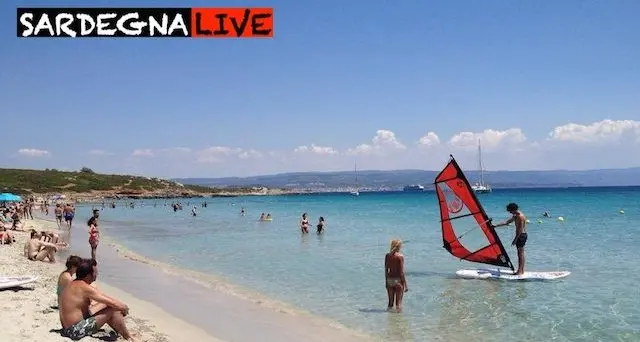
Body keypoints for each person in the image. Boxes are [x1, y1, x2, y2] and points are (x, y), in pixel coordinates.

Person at [59, 259, 134, 341]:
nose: (97, 274)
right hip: (74, 330)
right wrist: (124, 308)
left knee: (106, 305)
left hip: (67, 329)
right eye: (95, 273)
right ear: (88, 275)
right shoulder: (84, 287)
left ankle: (121, 331)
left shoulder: (73, 284)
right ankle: (128, 337)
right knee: (114, 308)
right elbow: (113, 303)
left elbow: (105, 301)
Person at [493, 202, 528, 275]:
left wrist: (515, 239)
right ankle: (521, 270)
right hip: (520, 236)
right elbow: (507, 222)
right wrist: (495, 225)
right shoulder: (516, 215)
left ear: (514, 210)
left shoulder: (520, 216)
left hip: (521, 236)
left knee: (520, 254)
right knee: (520, 253)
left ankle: (520, 271)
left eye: (510, 211)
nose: (510, 212)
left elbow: (520, 229)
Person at [385, 239, 407, 312]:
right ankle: (398, 322)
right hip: (398, 281)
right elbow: (401, 272)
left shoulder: (387, 255)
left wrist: (386, 282)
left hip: (389, 280)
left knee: (390, 304)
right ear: (399, 247)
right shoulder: (400, 256)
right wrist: (406, 284)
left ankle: (388, 320)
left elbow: (386, 270)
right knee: (398, 304)